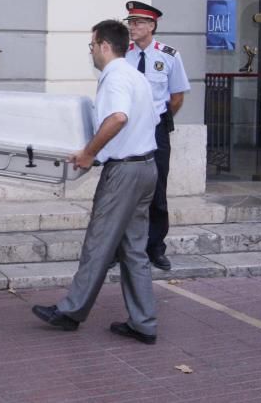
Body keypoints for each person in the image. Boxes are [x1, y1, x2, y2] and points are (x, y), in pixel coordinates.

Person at [32, 19, 160, 344]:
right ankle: (143, 322)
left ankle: (71, 311)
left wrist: (89, 153)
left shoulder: (116, 77)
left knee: (98, 242)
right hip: (146, 168)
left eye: (91, 45)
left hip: (126, 172)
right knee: (134, 250)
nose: (90, 51)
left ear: (104, 45)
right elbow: (150, 119)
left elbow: (118, 117)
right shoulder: (136, 76)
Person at [123, 1, 190, 271]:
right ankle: (123, 246)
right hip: (126, 128)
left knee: (157, 188)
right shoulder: (121, 55)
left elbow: (176, 98)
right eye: (130, 22)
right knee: (125, 189)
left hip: (156, 128)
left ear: (152, 26)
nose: (132, 27)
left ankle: (155, 247)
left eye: (138, 22)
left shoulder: (169, 55)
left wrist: (156, 119)